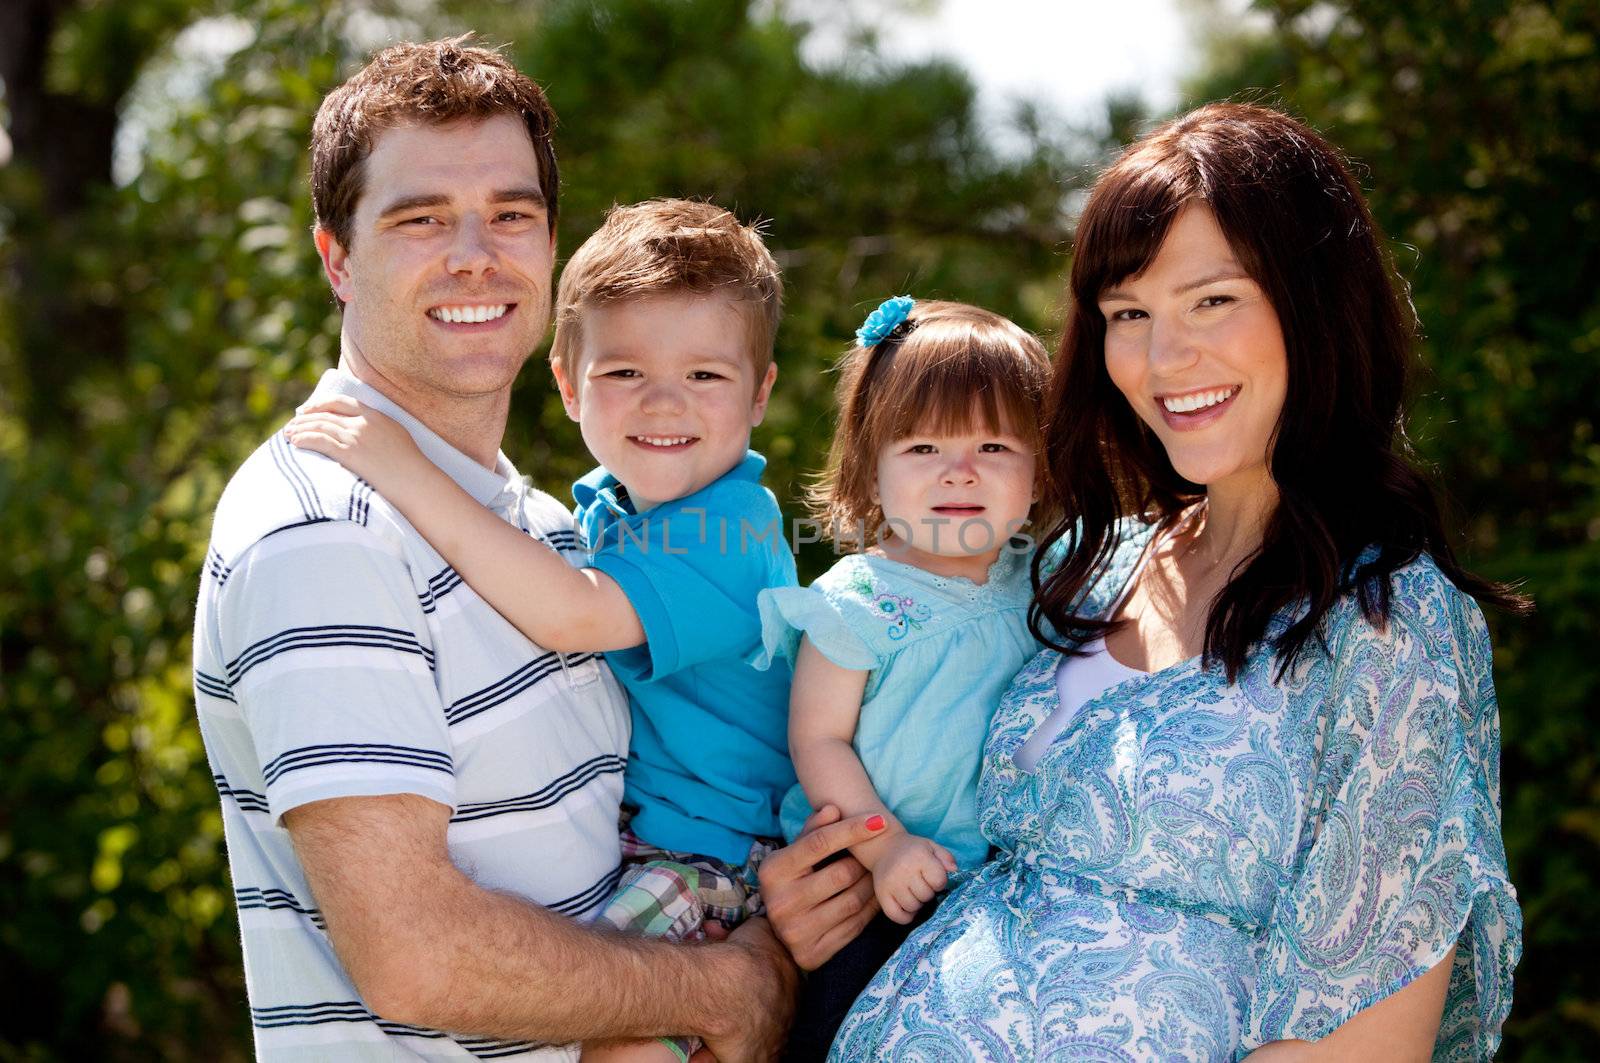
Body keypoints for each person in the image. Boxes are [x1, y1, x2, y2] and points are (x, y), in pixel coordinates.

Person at [828, 103, 1524, 1060]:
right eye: (1129, 314)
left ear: (1314, 303)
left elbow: (1363, 1039)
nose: (1163, 359)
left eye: (1212, 300)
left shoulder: (1388, 619)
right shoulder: (1089, 566)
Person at [191, 38, 806, 1062]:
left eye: (511, 215)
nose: (475, 252)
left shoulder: (549, 525)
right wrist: (727, 987)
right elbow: (417, 957)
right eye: (421, 217)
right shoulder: (322, 533)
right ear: (336, 258)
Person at [750, 297, 1051, 1059]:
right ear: (870, 469)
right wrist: (885, 848)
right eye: (921, 448)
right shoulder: (858, 599)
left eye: (993, 445)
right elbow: (819, 738)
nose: (959, 470)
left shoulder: (1039, 578)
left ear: (1040, 470)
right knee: (841, 1030)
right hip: (869, 883)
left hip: (994, 884)